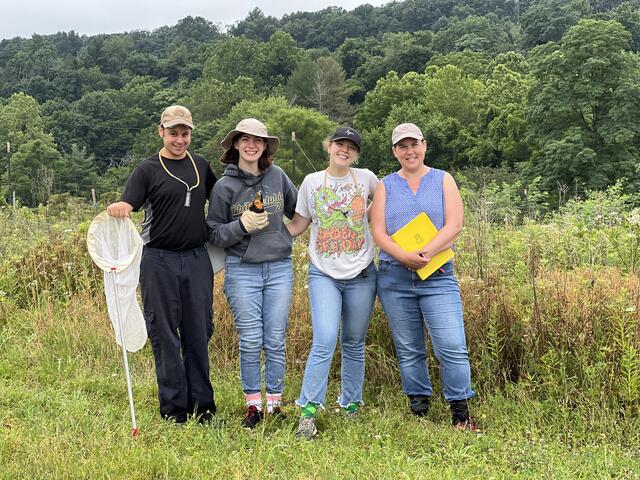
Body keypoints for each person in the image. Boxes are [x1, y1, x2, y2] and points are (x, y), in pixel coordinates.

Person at [106, 105, 217, 425]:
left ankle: (203, 407)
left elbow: (221, 200)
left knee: (199, 331)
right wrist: (120, 207)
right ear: (161, 132)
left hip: (197, 259)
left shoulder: (201, 165)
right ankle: (174, 410)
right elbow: (129, 202)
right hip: (158, 260)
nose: (179, 140)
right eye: (173, 133)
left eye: (185, 133)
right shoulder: (147, 169)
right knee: (165, 333)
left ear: (190, 134)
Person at [370, 122, 480, 432]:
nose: (409, 151)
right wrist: (404, 257)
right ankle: (419, 409)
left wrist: (426, 253)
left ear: (424, 145)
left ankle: (460, 413)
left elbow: (454, 225)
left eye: (414, 144)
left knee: (451, 344)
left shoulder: (443, 180)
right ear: (394, 151)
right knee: (409, 346)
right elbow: (379, 231)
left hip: (438, 275)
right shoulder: (385, 185)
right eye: (402, 146)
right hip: (395, 276)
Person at [286, 126, 378, 440]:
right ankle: (308, 413)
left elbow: (383, 208)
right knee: (324, 339)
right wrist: (266, 235)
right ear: (329, 146)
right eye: (340, 144)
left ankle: (351, 406)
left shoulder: (366, 178)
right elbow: (299, 224)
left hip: (362, 274)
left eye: (352, 146)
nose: (345, 150)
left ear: (356, 153)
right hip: (324, 273)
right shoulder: (312, 183)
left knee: (353, 342)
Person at [206, 118, 297, 429]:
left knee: (275, 338)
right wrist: (241, 226)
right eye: (245, 139)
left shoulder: (278, 177)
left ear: (265, 146)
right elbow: (214, 233)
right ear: (235, 144)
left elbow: (300, 213)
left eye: (258, 140)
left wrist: (284, 236)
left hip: (279, 268)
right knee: (250, 339)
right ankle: (253, 406)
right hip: (242, 269)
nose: (251, 145)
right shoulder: (224, 186)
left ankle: (275, 403)